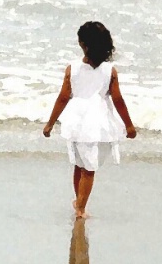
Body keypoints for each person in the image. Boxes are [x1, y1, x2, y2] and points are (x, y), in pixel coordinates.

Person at [43, 21, 136, 218]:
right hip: (97, 122)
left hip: (77, 120)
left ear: (84, 45)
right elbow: (118, 99)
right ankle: (81, 209)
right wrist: (128, 124)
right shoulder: (109, 70)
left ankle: (79, 201)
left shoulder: (73, 68)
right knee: (89, 168)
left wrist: (51, 123)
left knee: (80, 164)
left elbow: (63, 97)